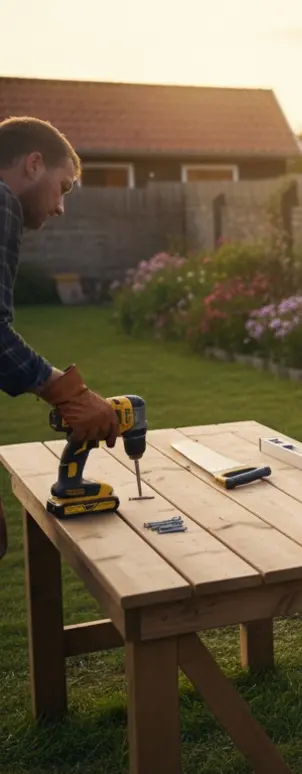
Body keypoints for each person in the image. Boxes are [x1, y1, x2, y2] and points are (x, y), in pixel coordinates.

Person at [0, 117, 122, 559]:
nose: (60, 207)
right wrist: (69, 395)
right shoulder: (1, 202)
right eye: (64, 187)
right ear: (33, 164)